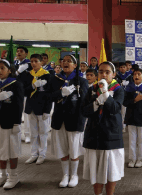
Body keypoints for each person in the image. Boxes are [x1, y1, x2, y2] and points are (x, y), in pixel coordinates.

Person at [82, 61, 125, 195]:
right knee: (95, 170)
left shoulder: (118, 89)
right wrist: (96, 102)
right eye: (101, 71)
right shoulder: (92, 89)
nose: (104, 74)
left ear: (114, 74)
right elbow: (84, 111)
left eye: (107, 72)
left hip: (111, 133)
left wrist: (105, 94)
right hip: (93, 134)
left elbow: (115, 108)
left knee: (111, 170)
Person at [48, 54, 88, 188]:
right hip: (59, 119)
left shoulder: (81, 81)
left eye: (69, 61)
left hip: (75, 119)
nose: (65, 63)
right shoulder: (55, 79)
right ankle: (65, 175)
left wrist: (82, 121)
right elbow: (48, 97)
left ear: (75, 65)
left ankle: (74, 174)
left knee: (74, 148)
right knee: (62, 148)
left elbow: (84, 102)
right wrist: (60, 94)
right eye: (63, 61)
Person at [0, 59, 24, 189]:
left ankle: (13, 176)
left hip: (10, 122)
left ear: (9, 70)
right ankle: (2, 174)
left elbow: (19, 105)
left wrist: (17, 123)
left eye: (2, 68)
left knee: (12, 149)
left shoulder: (16, 84)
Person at [21, 54, 52, 165]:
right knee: (33, 133)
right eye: (32, 61)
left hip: (42, 107)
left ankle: (42, 154)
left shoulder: (47, 75)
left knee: (43, 132)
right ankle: (34, 154)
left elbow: (49, 95)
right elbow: (23, 91)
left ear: (41, 62)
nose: (33, 63)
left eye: (36, 61)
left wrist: (48, 110)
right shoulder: (28, 75)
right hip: (30, 107)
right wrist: (34, 86)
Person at [124, 69, 142, 168]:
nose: (136, 76)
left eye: (139, 74)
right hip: (131, 117)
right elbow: (124, 103)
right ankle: (132, 159)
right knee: (131, 140)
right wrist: (134, 100)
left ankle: (140, 159)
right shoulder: (129, 89)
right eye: (135, 74)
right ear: (132, 77)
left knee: (141, 140)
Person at [14, 46, 32, 145]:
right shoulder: (15, 64)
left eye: (21, 51)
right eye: (17, 51)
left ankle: (28, 135)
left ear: (26, 54)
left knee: (27, 115)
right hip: (16, 93)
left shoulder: (29, 64)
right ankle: (17, 134)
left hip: (25, 92)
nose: (19, 53)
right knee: (17, 114)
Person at [116, 62, 133, 133]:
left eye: (124, 67)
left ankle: (123, 126)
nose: (122, 68)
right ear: (119, 68)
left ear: (126, 68)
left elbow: (132, 86)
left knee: (124, 112)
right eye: (121, 67)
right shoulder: (116, 76)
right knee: (117, 111)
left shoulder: (130, 76)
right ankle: (117, 126)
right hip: (118, 95)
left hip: (126, 96)